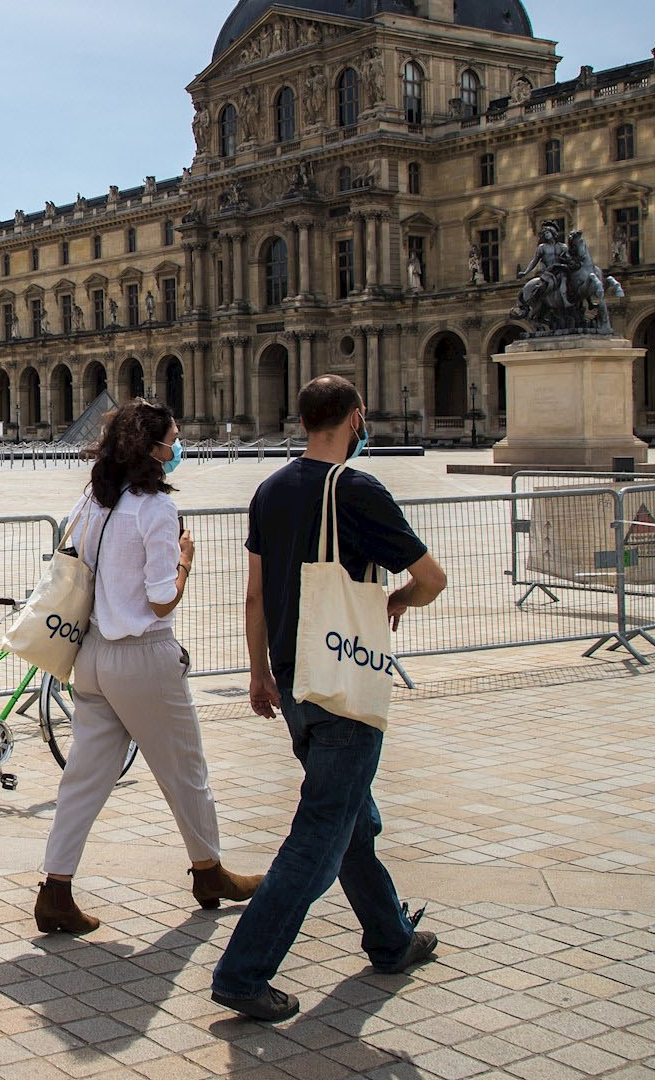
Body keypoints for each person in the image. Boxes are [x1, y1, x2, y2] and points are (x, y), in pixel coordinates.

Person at [209, 375, 449, 1021]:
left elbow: (255, 594)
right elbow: (431, 578)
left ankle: (391, 940)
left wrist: (258, 672)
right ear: (355, 417)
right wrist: (398, 600)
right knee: (319, 835)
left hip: (292, 679)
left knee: (352, 824)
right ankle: (242, 973)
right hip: (344, 680)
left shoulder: (270, 489)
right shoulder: (358, 489)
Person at [35, 398, 263, 935]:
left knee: (83, 781)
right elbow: (161, 599)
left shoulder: (95, 498)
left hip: (90, 656)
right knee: (186, 771)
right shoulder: (155, 508)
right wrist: (185, 559)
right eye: (173, 438)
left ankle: (56, 890)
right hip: (142, 658)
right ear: (154, 449)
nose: (178, 446)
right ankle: (210, 873)